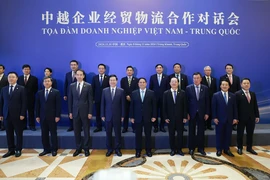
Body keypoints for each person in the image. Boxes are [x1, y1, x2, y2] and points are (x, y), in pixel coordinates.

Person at [0, 72, 27, 158]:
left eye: (13, 77)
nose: (11, 79)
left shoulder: (21, 88)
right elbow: (1, 102)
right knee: (9, 133)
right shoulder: (4, 89)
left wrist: (22, 113)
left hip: (18, 115)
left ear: (16, 78)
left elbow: (24, 103)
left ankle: (18, 149)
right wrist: (1, 114)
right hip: (7, 115)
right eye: (9, 77)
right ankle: (11, 149)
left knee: (19, 133)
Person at [68, 69, 93, 157]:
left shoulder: (88, 86)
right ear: (75, 76)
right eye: (77, 75)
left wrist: (90, 112)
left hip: (85, 112)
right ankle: (78, 148)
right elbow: (70, 100)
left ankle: (86, 149)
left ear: (83, 76)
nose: (79, 76)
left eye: (81, 75)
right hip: (75, 112)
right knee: (77, 131)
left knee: (86, 131)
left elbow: (90, 100)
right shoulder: (72, 86)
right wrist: (70, 112)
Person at [130, 78, 157, 158]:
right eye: (140, 82)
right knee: (138, 135)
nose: (142, 84)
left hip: (148, 117)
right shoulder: (134, 93)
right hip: (137, 117)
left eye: (143, 82)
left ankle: (148, 150)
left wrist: (154, 116)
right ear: (138, 84)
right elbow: (132, 106)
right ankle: (138, 151)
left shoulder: (151, 93)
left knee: (148, 135)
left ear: (146, 83)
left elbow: (154, 106)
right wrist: (131, 116)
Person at [36, 76, 61, 157]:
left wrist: (57, 115)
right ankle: (46, 149)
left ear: (51, 82)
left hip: (53, 116)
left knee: (53, 133)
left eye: (48, 81)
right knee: (44, 133)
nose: (47, 83)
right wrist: (37, 116)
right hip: (42, 117)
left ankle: (54, 149)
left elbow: (58, 105)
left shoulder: (56, 92)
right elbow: (37, 105)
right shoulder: (39, 93)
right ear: (43, 83)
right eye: (45, 81)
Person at [212, 80, 238, 157]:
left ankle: (226, 149)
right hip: (219, 119)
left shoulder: (232, 96)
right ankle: (219, 149)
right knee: (219, 134)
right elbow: (213, 108)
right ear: (220, 86)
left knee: (228, 135)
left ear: (229, 86)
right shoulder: (216, 95)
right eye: (223, 84)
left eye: (226, 85)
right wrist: (214, 117)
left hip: (229, 119)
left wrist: (235, 118)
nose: (224, 86)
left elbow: (235, 108)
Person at [186, 72, 209, 156]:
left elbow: (207, 101)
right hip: (191, 113)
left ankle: (201, 148)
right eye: (194, 78)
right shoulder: (188, 88)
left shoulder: (205, 88)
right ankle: (191, 148)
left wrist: (207, 113)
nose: (196, 80)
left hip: (202, 113)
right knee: (191, 131)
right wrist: (187, 113)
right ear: (193, 79)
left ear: (201, 79)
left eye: (197, 78)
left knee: (201, 132)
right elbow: (186, 102)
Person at [101, 75, 125, 157]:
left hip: (117, 116)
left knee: (118, 133)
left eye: (114, 80)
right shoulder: (104, 91)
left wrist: (122, 115)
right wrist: (102, 115)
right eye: (111, 80)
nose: (112, 82)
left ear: (116, 81)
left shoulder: (121, 91)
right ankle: (109, 149)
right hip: (107, 116)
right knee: (108, 133)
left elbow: (123, 105)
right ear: (109, 81)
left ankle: (118, 149)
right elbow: (102, 104)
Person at [163, 77, 187, 156]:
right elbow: (164, 106)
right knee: (171, 134)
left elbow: (185, 106)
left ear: (178, 83)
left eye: (175, 82)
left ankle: (180, 149)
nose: (174, 83)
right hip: (170, 118)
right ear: (170, 83)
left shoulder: (183, 92)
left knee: (180, 134)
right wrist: (165, 117)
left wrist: (185, 117)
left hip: (180, 118)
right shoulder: (166, 93)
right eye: (172, 82)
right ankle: (172, 149)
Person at [235, 78, 260, 155]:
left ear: (250, 84)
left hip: (251, 118)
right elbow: (235, 107)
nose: (246, 84)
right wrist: (236, 117)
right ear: (241, 84)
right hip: (241, 118)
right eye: (244, 83)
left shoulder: (252, 94)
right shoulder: (237, 94)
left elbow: (255, 105)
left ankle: (249, 148)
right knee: (240, 134)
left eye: (248, 83)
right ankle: (240, 148)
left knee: (250, 133)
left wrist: (257, 116)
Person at [167, 63, 188, 132]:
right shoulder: (170, 76)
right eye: (175, 67)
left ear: (180, 68)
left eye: (178, 67)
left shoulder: (184, 77)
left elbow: (186, 87)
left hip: (181, 97)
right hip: (172, 96)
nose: (176, 68)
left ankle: (182, 127)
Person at [219, 64, 240, 131]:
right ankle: (226, 123)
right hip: (225, 97)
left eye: (230, 68)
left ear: (232, 69)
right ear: (225, 69)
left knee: (234, 110)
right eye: (227, 68)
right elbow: (220, 88)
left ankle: (234, 125)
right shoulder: (222, 78)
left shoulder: (237, 78)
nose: (229, 69)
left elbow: (238, 88)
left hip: (234, 97)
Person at [17, 64, 38, 131]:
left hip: (31, 98)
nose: (26, 70)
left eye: (28, 69)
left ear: (30, 70)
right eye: (25, 69)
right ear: (22, 70)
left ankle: (32, 125)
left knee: (31, 112)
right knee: (22, 112)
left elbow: (36, 89)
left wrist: (30, 95)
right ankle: (23, 126)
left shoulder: (34, 78)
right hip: (21, 99)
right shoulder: (19, 78)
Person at [149, 64, 167, 133]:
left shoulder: (166, 77)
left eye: (160, 68)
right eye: (157, 68)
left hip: (163, 98)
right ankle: (155, 127)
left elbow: (168, 88)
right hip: (154, 98)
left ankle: (162, 126)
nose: (159, 69)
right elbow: (150, 88)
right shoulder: (152, 77)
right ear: (155, 69)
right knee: (154, 113)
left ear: (162, 69)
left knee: (163, 113)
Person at [92, 64, 110, 132]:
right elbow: (92, 88)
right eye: (100, 68)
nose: (101, 70)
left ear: (105, 70)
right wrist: (93, 98)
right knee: (97, 113)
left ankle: (106, 126)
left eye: (102, 68)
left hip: (106, 99)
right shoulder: (95, 78)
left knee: (107, 113)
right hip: (97, 99)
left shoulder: (108, 78)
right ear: (98, 69)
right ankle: (98, 127)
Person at [120, 66, 139, 133]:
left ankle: (134, 128)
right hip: (125, 99)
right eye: (128, 70)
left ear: (133, 72)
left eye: (131, 70)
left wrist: (130, 96)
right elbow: (122, 89)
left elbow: (136, 90)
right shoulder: (123, 79)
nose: (129, 71)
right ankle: (125, 128)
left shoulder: (136, 80)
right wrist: (126, 96)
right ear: (126, 71)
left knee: (133, 114)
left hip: (133, 99)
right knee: (125, 114)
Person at [64, 60, 80, 132]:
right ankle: (71, 126)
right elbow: (66, 85)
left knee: (79, 111)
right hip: (70, 95)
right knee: (70, 111)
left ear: (77, 65)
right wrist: (65, 94)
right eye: (71, 65)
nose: (73, 66)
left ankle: (79, 126)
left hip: (78, 96)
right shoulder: (68, 74)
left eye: (74, 64)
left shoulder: (81, 73)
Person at [202, 66, 217, 131]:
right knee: (204, 112)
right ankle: (204, 125)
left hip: (212, 98)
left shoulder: (214, 79)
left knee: (210, 112)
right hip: (203, 98)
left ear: (211, 71)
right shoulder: (201, 79)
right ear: (204, 71)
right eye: (206, 70)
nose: (208, 71)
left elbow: (215, 89)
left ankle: (209, 125)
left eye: (209, 70)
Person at [0, 64, 8, 131]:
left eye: (0, 68)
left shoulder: (7, 78)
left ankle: (3, 125)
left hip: (3, 97)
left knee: (2, 110)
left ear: (3, 70)